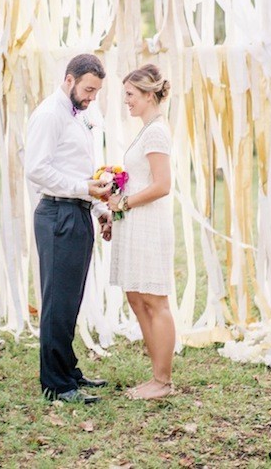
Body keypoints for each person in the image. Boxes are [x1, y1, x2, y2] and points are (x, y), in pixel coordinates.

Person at [25, 53, 112, 404]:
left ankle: (68, 370)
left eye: (96, 92)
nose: (92, 98)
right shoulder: (50, 114)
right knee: (57, 302)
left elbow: (78, 169)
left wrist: (100, 208)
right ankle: (57, 385)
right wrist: (83, 190)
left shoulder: (79, 115)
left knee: (70, 300)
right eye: (88, 90)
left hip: (78, 212)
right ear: (69, 79)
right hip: (58, 214)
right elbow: (37, 169)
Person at [108, 63, 176, 400]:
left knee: (154, 299)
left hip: (149, 223)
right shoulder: (146, 129)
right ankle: (155, 375)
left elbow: (163, 185)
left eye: (131, 94)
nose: (127, 101)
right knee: (135, 296)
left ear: (149, 95)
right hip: (134, 222)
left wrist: (125, 202)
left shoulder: (156, 132)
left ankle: (163, 381)